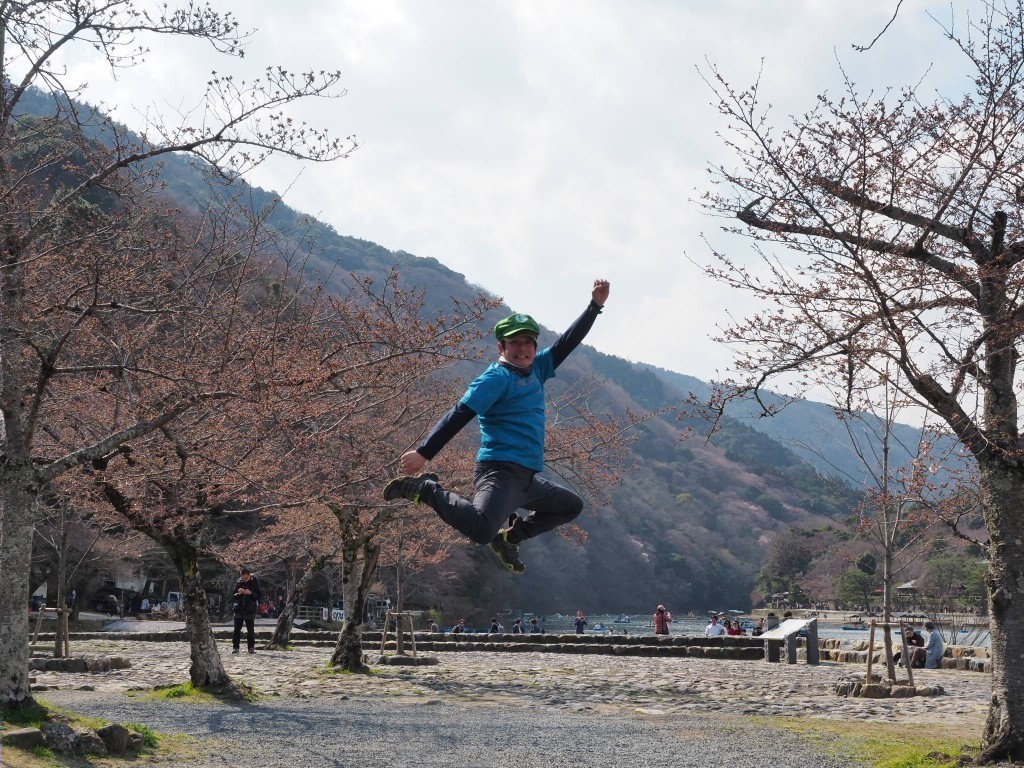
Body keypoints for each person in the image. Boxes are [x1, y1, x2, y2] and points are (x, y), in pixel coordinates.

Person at [383, 280, 612, 575]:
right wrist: (424, 452)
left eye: (527, 342)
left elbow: (567, 342)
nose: (522, 349)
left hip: (527, 479)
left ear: (534, 347)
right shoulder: (496, 378)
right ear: (501, 347)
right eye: (514, 343)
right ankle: (425, 489)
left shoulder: (537, 369)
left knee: (571, 506)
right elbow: (460, 413)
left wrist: (594, 307)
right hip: (499, 472)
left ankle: (510, 538)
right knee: (480, 530)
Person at [231, 567, 263, 654]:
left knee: (250, 630)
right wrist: (239, 593)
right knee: (236, 629)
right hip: (239, 608)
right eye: (242, 578)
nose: (244, 580)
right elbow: (233, 596)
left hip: (250, 609)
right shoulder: (239, 582)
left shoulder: (254, 581)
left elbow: (259, 596)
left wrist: (251, 593)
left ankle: (251, 647)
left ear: (249, 575)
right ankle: (235, 647)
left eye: (246, 578)